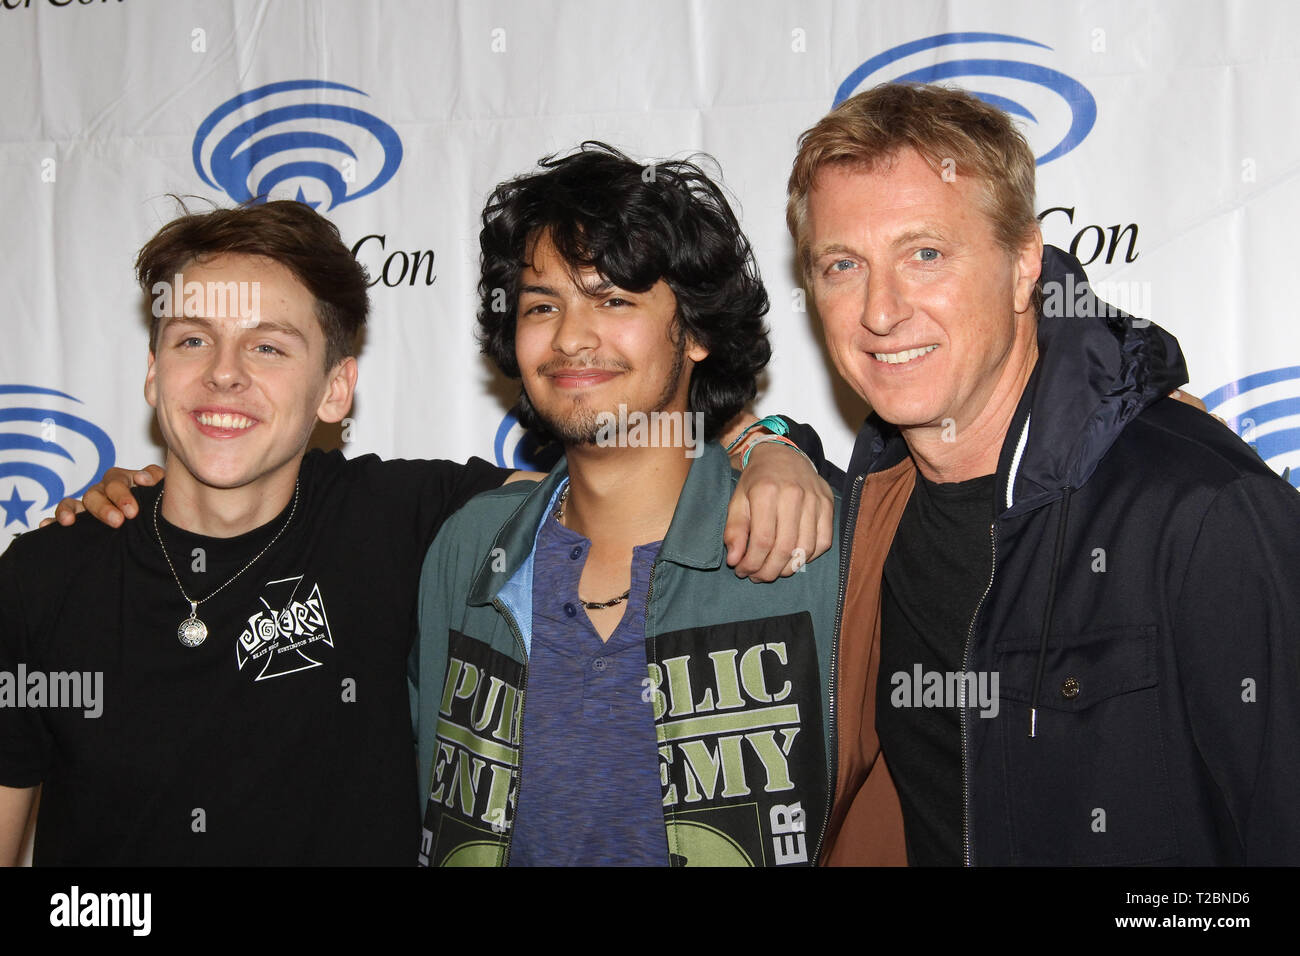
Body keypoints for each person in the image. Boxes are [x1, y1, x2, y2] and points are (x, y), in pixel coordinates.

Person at [0, 199, 826, 866]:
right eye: (192, 341)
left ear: (337, 390)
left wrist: (770, 446)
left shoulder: (411, 521)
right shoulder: (45, 574)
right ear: (152, 372)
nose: (225, 374)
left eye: (269, 346)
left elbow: (616, 448)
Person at [785, 82, 1300, 865]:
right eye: (842, 264)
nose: (880, 311)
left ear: (1025, 263)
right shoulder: (865, 518)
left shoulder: (1200, 510)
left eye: (925, 254)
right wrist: (764, 442)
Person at [413, 143, 841, 867]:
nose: (573, 337)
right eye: (542, 305)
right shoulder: (469, 549)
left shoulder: (805, 546)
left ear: (697, 331)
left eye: (614, 300)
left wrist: (777, 445)